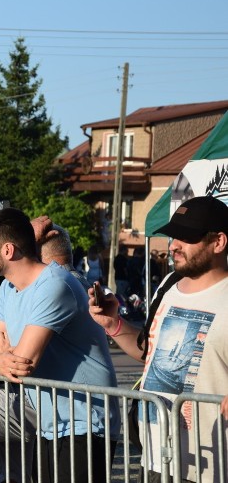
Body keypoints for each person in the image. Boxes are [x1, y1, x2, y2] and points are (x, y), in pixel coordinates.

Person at [0, 208, 119, 483]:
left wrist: (3, 355)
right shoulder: (8, 288)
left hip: (84, 420)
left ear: (7, 250)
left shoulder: (55, 285)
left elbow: (22, 363)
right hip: (48, 420)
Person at [88, 196, 228, 482]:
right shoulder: (168, 286)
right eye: (173, 236)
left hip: (213, 464)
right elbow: (148, 353)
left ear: (219, 242)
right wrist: (114, 324)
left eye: (186, 238)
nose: (173, 245)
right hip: (156, 453)